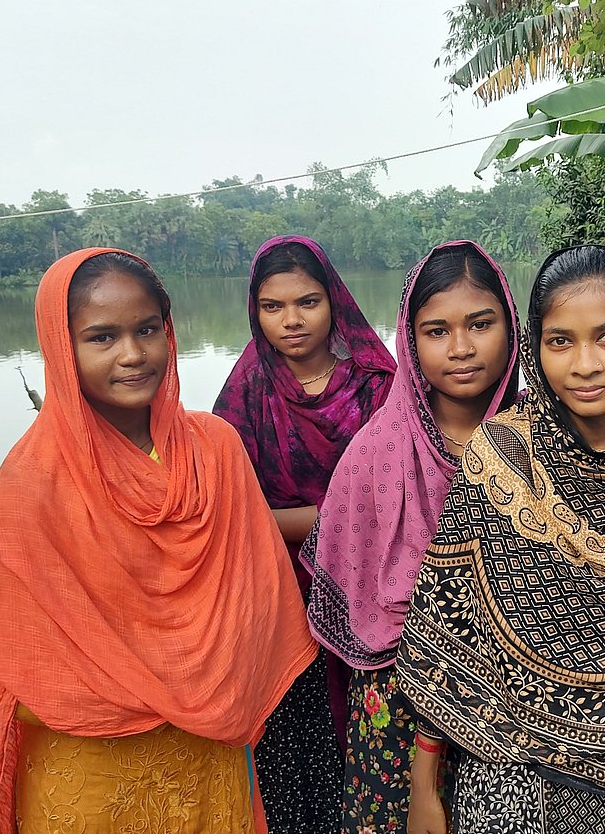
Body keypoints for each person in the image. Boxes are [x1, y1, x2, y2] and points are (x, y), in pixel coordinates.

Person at [0, 248, 315, 834]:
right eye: (102, 337)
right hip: (88, 769)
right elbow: (13, 652)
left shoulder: (215, 450)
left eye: (147, 330)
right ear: (61, 346)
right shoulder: (33, 480)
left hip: (204, 752)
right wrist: (145, 682)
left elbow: (257, 598)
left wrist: (203, 677)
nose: (133, 355)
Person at [396, 244, 605, 834]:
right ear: (536, 347)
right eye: (560, 341)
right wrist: (425, 789)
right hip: (504, 781)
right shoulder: (501, 455)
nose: (585, 364)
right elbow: (445, 629)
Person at [302, 241, 521, 834]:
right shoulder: (374, 454)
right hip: (397, 704)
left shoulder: (540, 445)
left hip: (512, 709)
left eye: (481, 324)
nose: (461, 349)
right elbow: (347, 590)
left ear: (512, 327)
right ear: (408, 337)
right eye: (436, 331)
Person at [213, 235, 395, 834]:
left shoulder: (377, 385)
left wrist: (313, 518)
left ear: (334, 301)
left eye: (307, 302)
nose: (291, 321)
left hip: (370, 591)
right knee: (296, 745)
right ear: (255, 310)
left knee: (375, 733)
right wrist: (332, 513)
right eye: (272, 307)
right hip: (276, 595)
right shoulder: (246, 391)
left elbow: (404, 498)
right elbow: (223, 510)